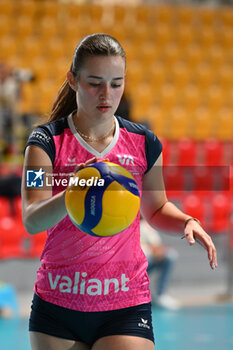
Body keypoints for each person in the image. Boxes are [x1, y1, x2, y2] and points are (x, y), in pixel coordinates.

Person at [21, 33, 217, 350]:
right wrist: (78, 186)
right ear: (73, 80)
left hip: (124, 302)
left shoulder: (144, 142)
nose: (106, 94)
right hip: (58, 304)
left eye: (116, 83)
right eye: (95, 82)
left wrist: (186, 221)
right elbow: (32, 219)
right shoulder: (45, 142)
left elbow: (155, 208)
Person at [140, 217, 180, 310]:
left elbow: (157, 248)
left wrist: (159, 251)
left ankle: (161, 295)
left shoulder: (145, 226)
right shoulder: (123, 227)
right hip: (127, 266)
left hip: (145, 263)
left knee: (170, 255)